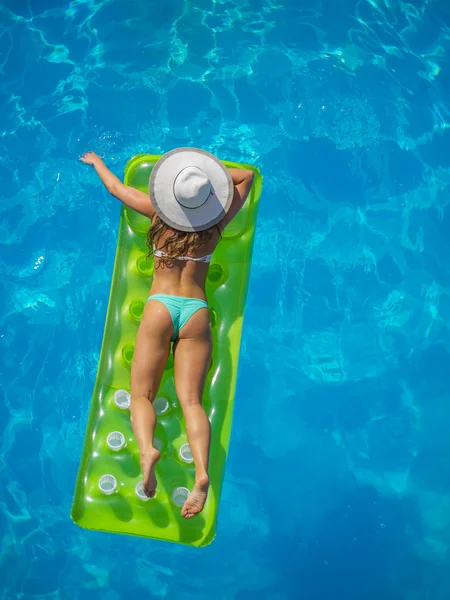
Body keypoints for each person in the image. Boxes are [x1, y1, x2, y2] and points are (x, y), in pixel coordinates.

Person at [79, 148, 254, 518]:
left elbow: (116, 190)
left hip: (160, 308)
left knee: (141, 394)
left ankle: (148, 451)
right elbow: (248, 178)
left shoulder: (158, 216)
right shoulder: (217, 223)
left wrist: (97, 163)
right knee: (192, 402)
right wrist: (213, 176)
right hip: (196, 311)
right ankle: (202, 474)